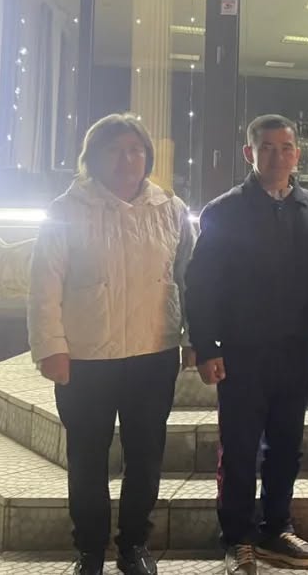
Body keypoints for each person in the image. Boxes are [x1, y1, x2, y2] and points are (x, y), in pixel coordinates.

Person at [28, 113, 196, 575]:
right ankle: (89, 548)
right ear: (94, 157)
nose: (127, 159)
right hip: (86, 357)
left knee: (145, 455)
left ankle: (134, 545)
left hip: (152, 353)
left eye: (136, 150)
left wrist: (194, 337)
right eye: (116, 150)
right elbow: (44, 284)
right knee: (87, 455)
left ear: (148, 157)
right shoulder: (67, 209)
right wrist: (50, 347)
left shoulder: (170, 209)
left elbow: (190, 278)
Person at [184, 115, 308, 575]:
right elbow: (201, 284)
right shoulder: (224, 211)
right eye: (266, 148)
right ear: (249, 153)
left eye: (286, 147)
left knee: (287, 444)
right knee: (239, 446)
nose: (277, 156)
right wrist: (205, 345)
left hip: (296, 347)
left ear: (298, 154)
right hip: (240, 350)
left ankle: (276, 527)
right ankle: (237, 537)